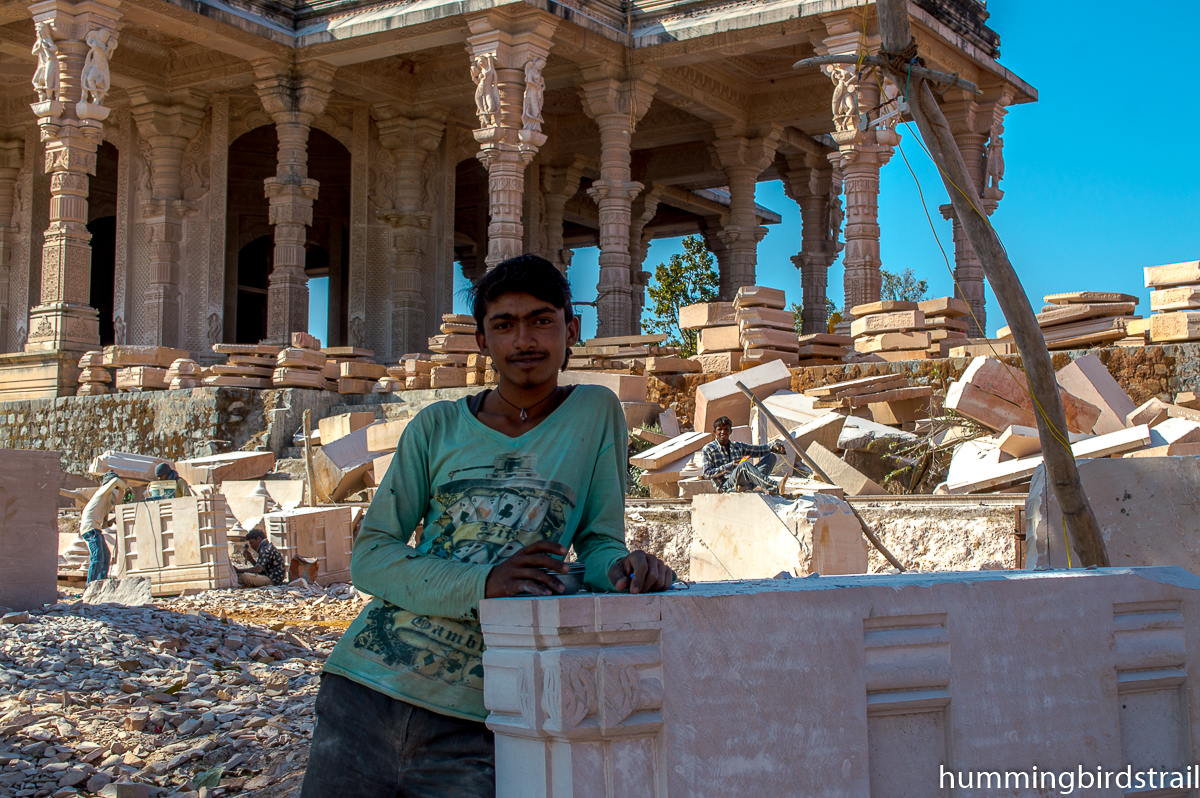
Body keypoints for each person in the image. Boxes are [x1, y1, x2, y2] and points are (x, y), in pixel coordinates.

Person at [300, 254, 675, 797]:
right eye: (504, 325)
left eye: (542, 320)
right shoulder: (437, 426)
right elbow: (372, 555)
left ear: (572, 328)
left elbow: (597, 542)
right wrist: (483, 584)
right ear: (481, 341)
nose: (525, 339)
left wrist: (622, 567)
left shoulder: (594, 413)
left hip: (484, 712)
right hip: (365, 688)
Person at [700, 415, 789, 492]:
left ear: (730, 431)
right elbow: (707, 474)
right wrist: (729, 467)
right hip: (725, 485)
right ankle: (774, 486)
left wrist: (773, 447)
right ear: (714, 432)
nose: (723, 432)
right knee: (744, 465)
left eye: (726, 429)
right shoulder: (708, 449)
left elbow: (758, 450)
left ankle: (745, 488)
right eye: (720, 429)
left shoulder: (737, 446)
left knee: (771, 457)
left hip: (742, 481)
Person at [79, 471, 131, 583]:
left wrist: (113, 519)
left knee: (106, 556)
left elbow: (104, 525)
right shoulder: (103, 491)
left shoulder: (106, 501)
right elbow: (116, 481)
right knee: (97, 556)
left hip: (95, 528)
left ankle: (101, 582)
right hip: (90, 527)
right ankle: (91, 585)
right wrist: (127, 489)